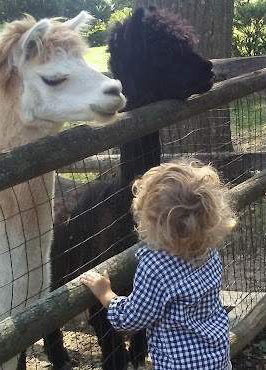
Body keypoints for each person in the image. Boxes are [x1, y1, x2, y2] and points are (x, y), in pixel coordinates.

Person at [80, 158, 238, 370]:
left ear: (153, 222)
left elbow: (131, 317)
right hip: (217, 359)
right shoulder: (209, 253)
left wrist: (105, 294)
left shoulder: (155, 266)